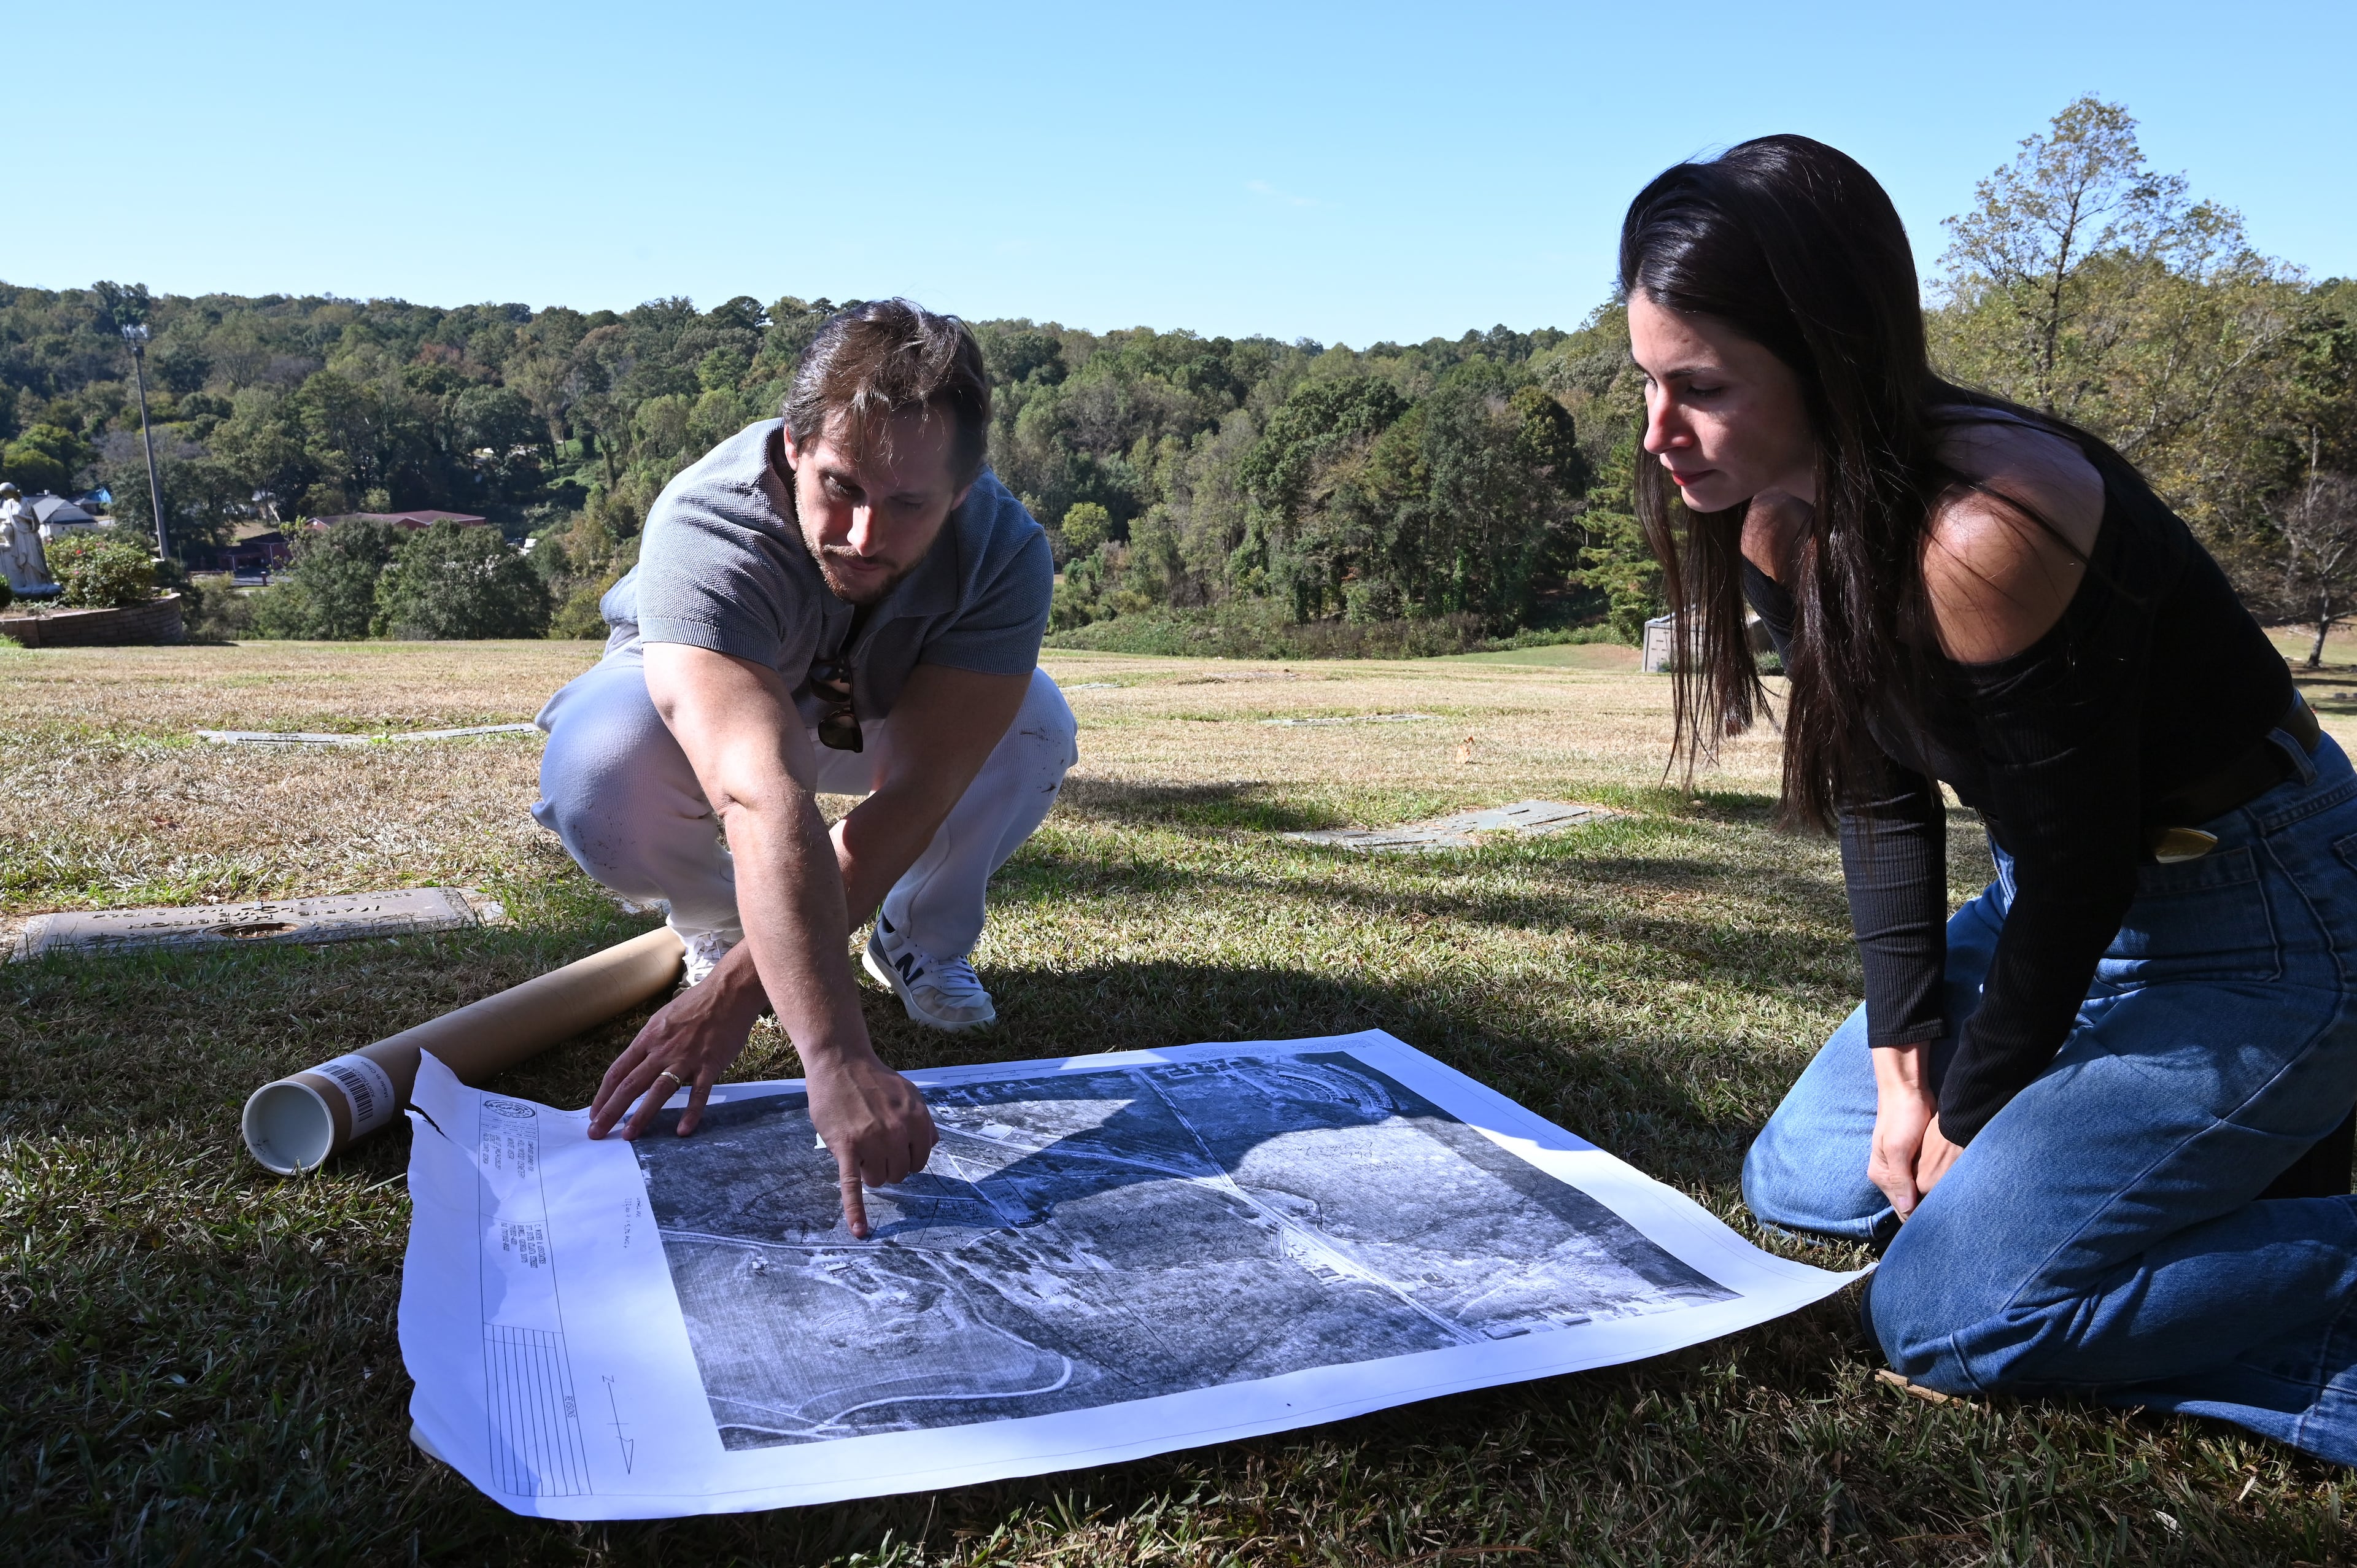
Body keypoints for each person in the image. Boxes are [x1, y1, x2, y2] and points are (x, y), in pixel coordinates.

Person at [1620, 136, 2357, 1464]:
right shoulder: (1779, 520)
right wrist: (1907, 1068)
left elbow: (2085, 874)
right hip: (2058, 909)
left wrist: (1972, 1113)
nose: (1659, 433)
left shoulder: (1988, 529)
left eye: (1701, 389)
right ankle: (2205, 1178)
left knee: (1950, 1314)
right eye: (1648, 384)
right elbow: (1882, 803)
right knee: (1800, 1176)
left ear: (1829, 358)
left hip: (2266, 919)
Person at [532, 299, 1077, 1237]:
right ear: (794, 448)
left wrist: (748, 996)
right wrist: (834, 1057)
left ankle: (918, 938)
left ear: (961, 490)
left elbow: (917, 797)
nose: (865, 537)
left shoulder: (1005, 551)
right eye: (842, 487)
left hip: (881, 701)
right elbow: (755, 789)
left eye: (908, 505)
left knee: (1034, 724)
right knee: (601, 763)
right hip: (717, 699)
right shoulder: (710, 524)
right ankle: (714, 923)